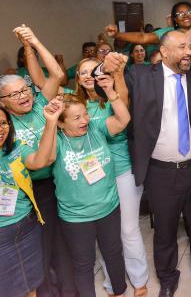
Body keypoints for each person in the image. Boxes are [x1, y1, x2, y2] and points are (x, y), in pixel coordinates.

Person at [121, 30, 191, 296]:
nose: (188, 52)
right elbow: (111, 92)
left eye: (190, 47)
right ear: (164, 51)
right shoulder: (141, 76)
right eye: (181, 47)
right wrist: (109, 69)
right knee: (165, 229)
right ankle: (168, 277)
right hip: (161, 171)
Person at [1, 25, 76, 297]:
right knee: (38, 251)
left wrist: (33, 42)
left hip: (54, 185)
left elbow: (57, 74)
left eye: (25, 90)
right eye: (14, 94)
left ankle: (68, 290)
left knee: (60, 244)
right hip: (25, 194)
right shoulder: (4, 124)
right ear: (2, 103)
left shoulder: (39, 105)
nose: (23, 96)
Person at [45, 79, 131, 297]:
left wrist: (111, 92)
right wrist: (50, 123)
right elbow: (42, 159)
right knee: (84, 265)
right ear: (61, 123)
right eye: (77, 117)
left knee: (113, 254)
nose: (85, 120)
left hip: (108, 208)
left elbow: (123, 120)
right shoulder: (56, 140)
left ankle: (119, 292)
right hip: (76, 217)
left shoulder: (96, 127)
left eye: (85, 114)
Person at [73, 57, 149, 297]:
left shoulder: (112, 97)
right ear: (77, 78)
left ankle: (139, 279)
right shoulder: (75, 105)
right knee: (106, 236)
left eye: (92, 70)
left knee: (128, 229)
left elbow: (124, 108)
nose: (88, 76)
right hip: (93, 179)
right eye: (82, 72)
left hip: (121, 171)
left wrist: (115, 76)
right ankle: (112, 281)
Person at [0, 101, 60, 297]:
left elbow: (40, 160)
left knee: (31, 282)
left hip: (26, 225)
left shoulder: (16, 147)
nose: (1, 129)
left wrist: (50, 122)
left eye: (3, 123)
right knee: (9, 288)